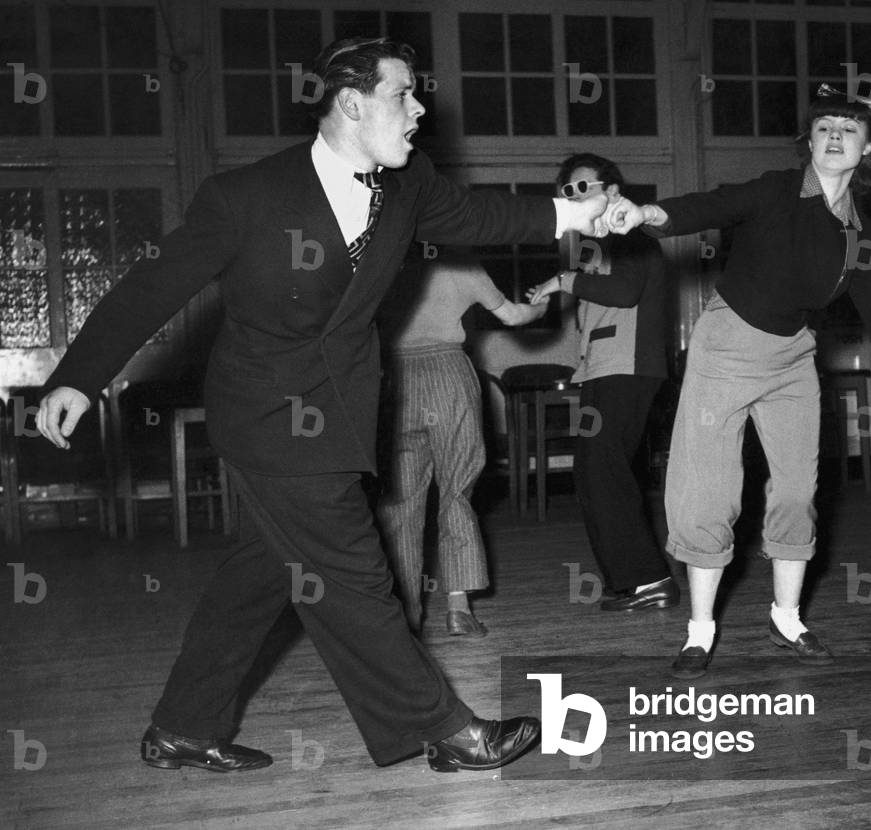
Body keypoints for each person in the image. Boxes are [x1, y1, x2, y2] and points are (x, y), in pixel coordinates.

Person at [35, 37, 607, 774]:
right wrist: (78, 377)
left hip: (342, 409)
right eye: (404, 95)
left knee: (260, 574)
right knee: (354, 572)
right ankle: (445, 729)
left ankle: (182, 726)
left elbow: (482, 217)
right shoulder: (244, 197)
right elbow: (152, 288)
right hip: (266, 416)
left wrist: (575, 214)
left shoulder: (407, 185)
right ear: (351, 103)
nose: (420, 109)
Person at [604, 84, 871, 678]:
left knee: (796, 492)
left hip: (792, 358)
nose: (834, 134)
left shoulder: (860, 235)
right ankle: (700, 631)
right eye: (824, 125)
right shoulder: (775, 190)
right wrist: (650, 214)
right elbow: (710, 205)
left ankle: (787, 618)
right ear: (809, 139)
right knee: (709, 492)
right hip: (725, 347)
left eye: (849, 127)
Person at [527, 153, 677, 612]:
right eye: (568, 192)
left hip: (627, 370)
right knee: (597, 473)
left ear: (612, 191)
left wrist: (564, 280)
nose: (577, 198)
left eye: (585, 187)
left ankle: (647, 580)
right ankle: (635, 581)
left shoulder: (631, 237)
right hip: (605, 370)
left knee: (602, 471)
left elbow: (626, 293)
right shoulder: (597, 246)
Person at [376, 251, 547, 637]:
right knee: (457, 491)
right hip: (449, 375)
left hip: (396, 378)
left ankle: (406, 616)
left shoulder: (384, 258)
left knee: (401, 502)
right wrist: (541, 308)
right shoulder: (460, 263)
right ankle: (458, 609)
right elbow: (513, 316)